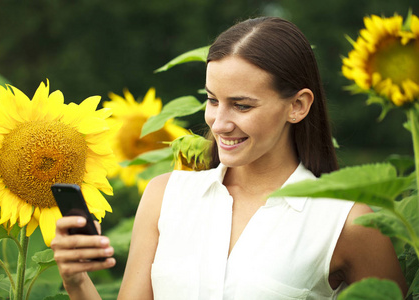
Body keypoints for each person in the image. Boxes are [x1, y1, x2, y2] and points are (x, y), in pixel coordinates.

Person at [51, 17, 408, 299]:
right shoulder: (165, 197)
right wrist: (77, 281)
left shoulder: (346, 222)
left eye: (241, 105)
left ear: (297, 106)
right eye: (212, 100)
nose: (218, 123)